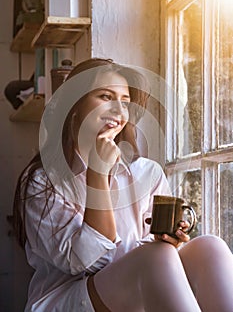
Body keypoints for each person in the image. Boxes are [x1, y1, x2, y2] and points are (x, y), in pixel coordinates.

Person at [13, 58, 233, 312]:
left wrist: (170, 239)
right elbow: (89, 262)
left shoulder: (146, 173)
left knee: (209, 247)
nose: (118, 110)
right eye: (105, 96)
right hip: (67, 300)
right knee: (156, 258)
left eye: (125, 101)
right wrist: (97, 172)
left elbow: (155, 255)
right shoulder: (43, 181)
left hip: (131, 288)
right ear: (74, 105)